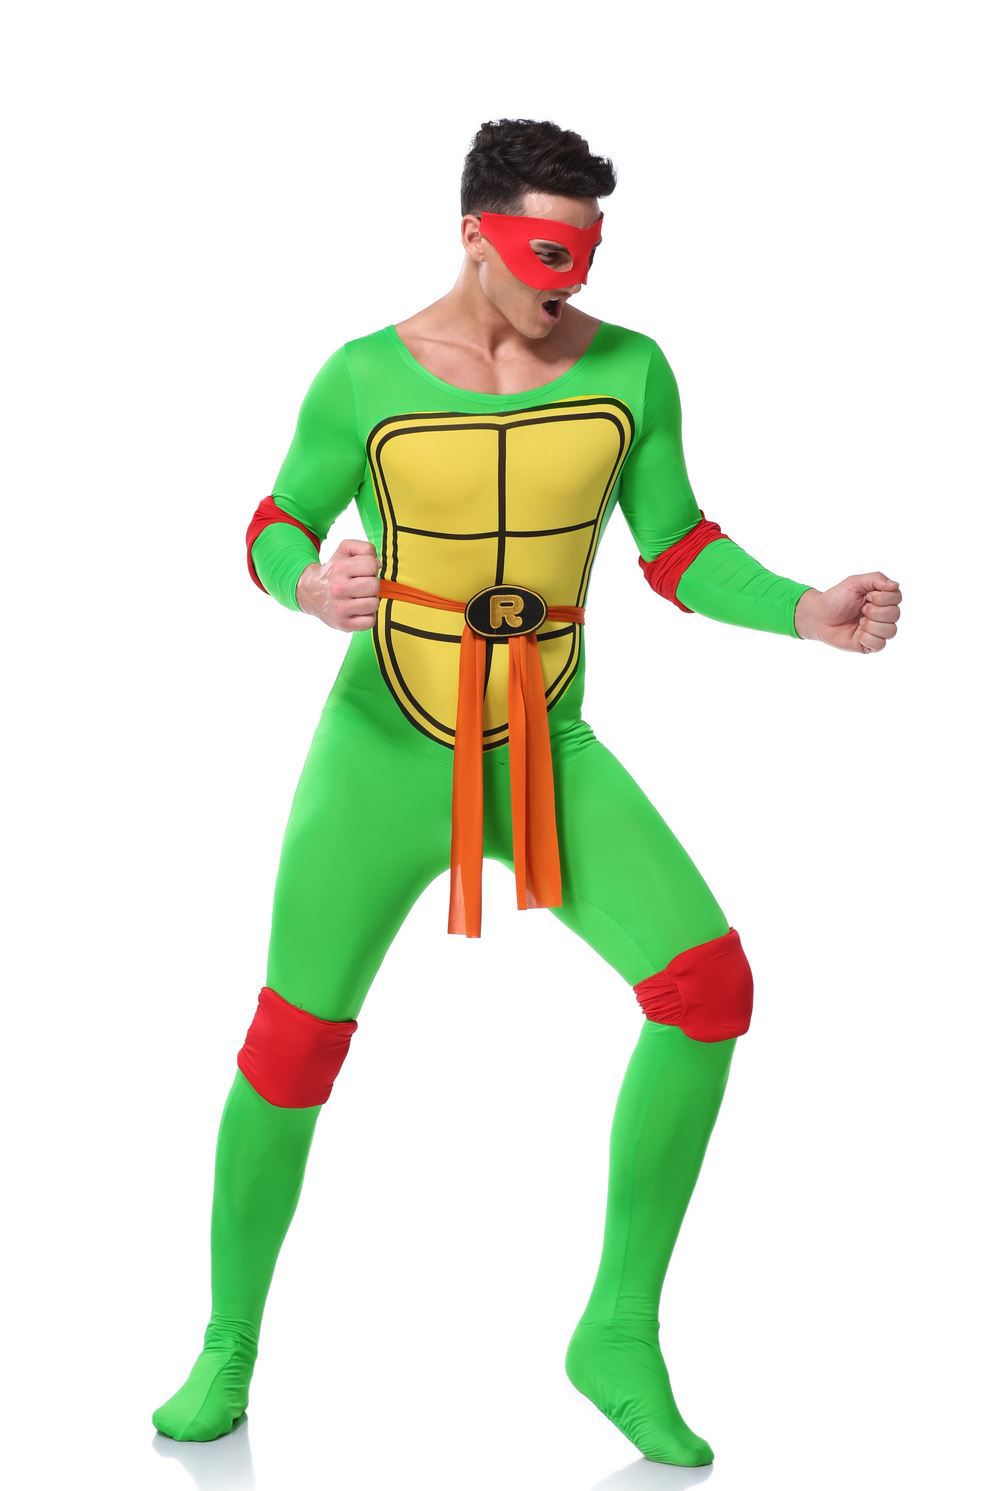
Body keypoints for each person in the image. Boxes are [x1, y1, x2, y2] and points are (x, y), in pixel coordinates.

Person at [152, 117, 902, 1464]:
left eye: (587, 251)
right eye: (545, 252)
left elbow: (676, 550)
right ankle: (227, 1345)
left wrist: (805, 609)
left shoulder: (631, 370)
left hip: (546, 747)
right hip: (384, 747)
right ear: (473, 236)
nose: (570, 282)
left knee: (709, 989)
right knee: (294, 1045)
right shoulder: (364, 376)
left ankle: (617, 1331)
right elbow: (273, 521)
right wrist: (306, 583)